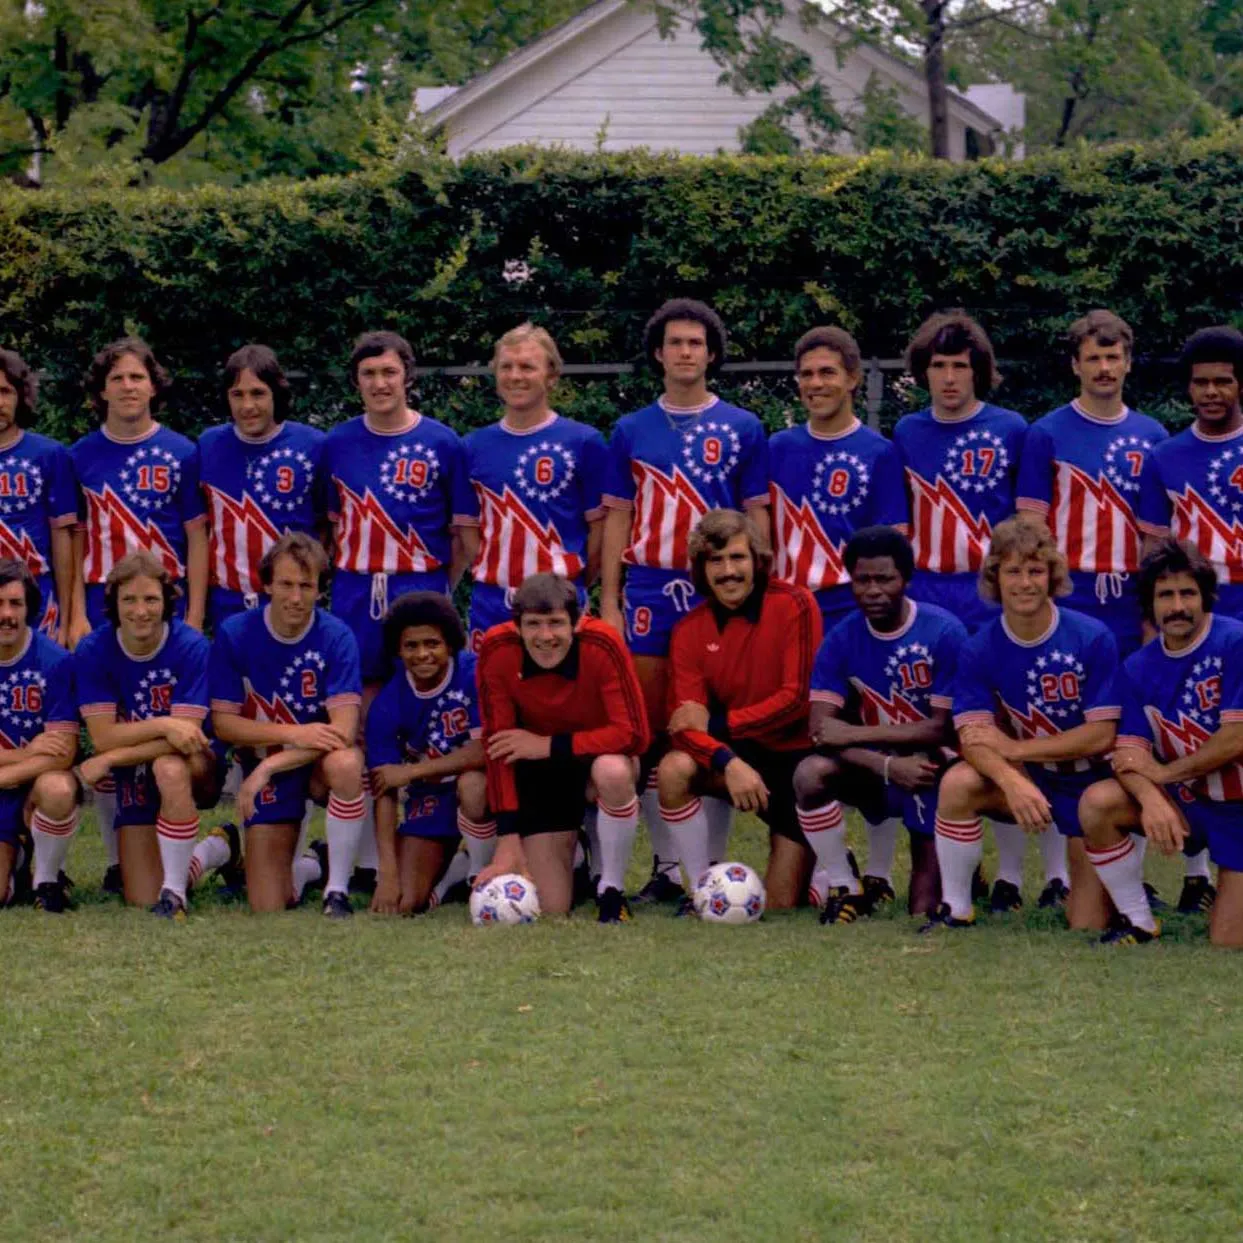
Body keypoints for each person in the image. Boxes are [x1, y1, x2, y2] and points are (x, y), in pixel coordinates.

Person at [600, 299, 770, 903]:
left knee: (702, 725)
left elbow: (756, 516)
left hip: (717, 593)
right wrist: (611, 600)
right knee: (646, 731)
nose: (685, 352)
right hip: (649, 586)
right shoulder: (630, 429)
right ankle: (668, 868)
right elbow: (619, 518)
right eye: (675, 342)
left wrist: (760, 593)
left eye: (696, 343)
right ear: (658, 353)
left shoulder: (745, 426)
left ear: (712, 353)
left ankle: (710, 861)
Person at [318, 330, 473, 888]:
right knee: (360, 719)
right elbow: (330, 529)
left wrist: (434, 589)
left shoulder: (442, 442)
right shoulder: (335, 443)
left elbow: (462, 536)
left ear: (407, 375)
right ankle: (362, 859)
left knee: (429, 716)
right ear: (356, 382)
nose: (380, 384)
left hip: (419, 586)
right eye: (368, 375)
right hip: (358, 592)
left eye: (389, 373)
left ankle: (444, 837)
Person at [924, 519, 1120, 932]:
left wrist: (1016, 752)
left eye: (1035, 570)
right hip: (1030, 777)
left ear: (1053, 575)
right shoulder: (979, 646)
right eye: (1013, 571)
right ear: (996, 578)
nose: (1025, 583)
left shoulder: (1092, 636)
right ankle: (955, 909)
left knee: (1086, 924)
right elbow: (973, 738)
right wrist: (1012, 781)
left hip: (1089, 782)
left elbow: (1102, 734)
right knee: (958, 783)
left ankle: (1113, 875)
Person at [794, 527, 966, 922]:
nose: (872, 590)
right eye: (862, 580)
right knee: (810, 774)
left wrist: (857, 734)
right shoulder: (840, 639)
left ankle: (960, 870)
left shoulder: (944, 632)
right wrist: (888, 766)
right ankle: (846, 887)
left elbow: (941, 728)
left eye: (884, 579)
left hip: (931, 772)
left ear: (906, 579)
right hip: (875, 769)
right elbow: (821, 730)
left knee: (923, 909)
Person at [1079, 539, 1243, 947]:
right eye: (1165, 595)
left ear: (1206, 598)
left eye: (1188, 593)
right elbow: (1129, 752)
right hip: (1190, 804)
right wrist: (1151, 798)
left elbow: (1235, 738)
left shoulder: (1235, 644)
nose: (1177, 606)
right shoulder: (1136, 667)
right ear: (1150, 605)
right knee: (1099, 801)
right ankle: (1139, 922)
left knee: (1227, 941)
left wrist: (1166, 774)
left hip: (1239, 807)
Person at [658, 509, 822, 911]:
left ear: (757, 561)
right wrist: (728, 761)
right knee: (674, 768)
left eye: (737, 558)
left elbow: (796, 699)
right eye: (716, 561)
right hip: (736, 755)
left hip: (793, 763)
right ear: (701, 569)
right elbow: (683, 725)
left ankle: (826, 859)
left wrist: (719, 725)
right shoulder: (688, 630)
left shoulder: (795, 604)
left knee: (783, 905)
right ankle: (701, 888)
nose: (728, 571)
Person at [475, 573, 649, 921]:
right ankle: (579, 858)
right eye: (534, 624)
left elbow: (634, 734)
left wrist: (548, 744)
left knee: (612, 771)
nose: (545, 636)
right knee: (551, 906)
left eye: (556, 623)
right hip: (542, 773)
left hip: (591, 761)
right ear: (517, 626)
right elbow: (499, 748)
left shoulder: (603, 643)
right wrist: (508, 836)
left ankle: (610, 888)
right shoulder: (497, 649)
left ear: (578, 621)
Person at [210, 533, 364, 917]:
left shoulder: (337, 636)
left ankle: (337, 889)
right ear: (266, 584)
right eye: (286, 585)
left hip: (313, 765)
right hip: (275, 767)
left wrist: (270, 764)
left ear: (320, 590)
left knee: (346, 763)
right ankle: (311, 863)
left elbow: (343, 730)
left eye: (306, 586)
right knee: (268, 904)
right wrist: (289, 735)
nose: (296, 597)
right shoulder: (235, 633)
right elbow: (224, 723)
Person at [74, 552, 232, 919]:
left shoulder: (190, 646)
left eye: (151, 599)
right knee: (139, 894)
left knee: (169, 767)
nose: (141, 611)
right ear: (113, 602)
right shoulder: (94, 650)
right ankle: (213, 850)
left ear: (167, 603)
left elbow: (187, 739)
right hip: (136, 769)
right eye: (129, 599)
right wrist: (163, 724)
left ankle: (175, 895)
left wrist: (112, 758)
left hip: (196, 767)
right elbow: (102, 737)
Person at [1016, 310, 1167, 656]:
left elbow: (1156, 537)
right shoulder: (1045, 433)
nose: (1104, 368)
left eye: (1113, 358)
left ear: (1128, 363)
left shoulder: (1153, 436)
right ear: (1075, 365)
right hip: (1069, 590)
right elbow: (1030, 527)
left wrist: (1151, 611)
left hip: (1131, 592)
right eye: (1093, 358)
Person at [457, 323, 608, 650]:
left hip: (559, 604)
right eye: (506, 366)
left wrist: (571, 584)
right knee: (490, 696)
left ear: (551, 376)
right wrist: (495, 574)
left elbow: (599, 530)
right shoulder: (472, 447)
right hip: (492, 604)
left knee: (560, 696)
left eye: (527, 366)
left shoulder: (584, 442)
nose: (515, 376)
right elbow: (469, 530)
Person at [893, 310, 1027, 632]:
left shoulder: (1011, 428)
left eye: (960, 366)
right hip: (925, 586)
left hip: (990, 588)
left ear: (976, 372)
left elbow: (1027, 520)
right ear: (924, 372)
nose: (949, 378)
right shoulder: (906, 431)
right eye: (939, 365)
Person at [769, 326, 908, 635]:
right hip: (784, 606)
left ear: (852, 379)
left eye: (827, 373)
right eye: (806, 374)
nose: (815, 383)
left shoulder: (880, 453)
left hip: (850, 609)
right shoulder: (776, 448)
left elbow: (890, 544)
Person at [69, 337, 207, 638]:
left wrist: (195, 617)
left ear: (153, 386)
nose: (128, 386)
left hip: (168, 598)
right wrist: (76, 614)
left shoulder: (183, 452)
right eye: (117, 378)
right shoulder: (79, 455)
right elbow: (76, 541)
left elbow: (197, 537)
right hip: (101, 600)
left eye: (137, 377)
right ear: (103, 390)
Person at [366, 592, 493, 915]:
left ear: (450, 643)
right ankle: (455, 869)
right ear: (398, 649)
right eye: (411, 646)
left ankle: (476, 870)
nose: (423, 654)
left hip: (479, 788)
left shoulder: (475, 674)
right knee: (406, 902)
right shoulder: (387, 703)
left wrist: (412, 772)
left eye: (432, 644)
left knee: (473, 785)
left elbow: (484, 749)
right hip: (431, 798)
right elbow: (384, 787)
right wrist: (388, 875)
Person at [197, 344, 326, 630]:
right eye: (237, 394)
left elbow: (326, 525)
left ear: (276, 393)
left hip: (293, 604)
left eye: (258, 393)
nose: (247, 406)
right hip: (227, 603)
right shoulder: (208, 445)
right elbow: (202, 527)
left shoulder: (312, 445)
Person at [1138, 326, 1243, 619]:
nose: (1211, 391)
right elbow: (1154, 548)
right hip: (1191, 602)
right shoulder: (1163, 456)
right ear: (1189, 387)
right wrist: (1150, 619)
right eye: (1201, 382)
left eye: (1223, 382)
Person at [0, 559, 79, 912]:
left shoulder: (55, 661)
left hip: (32, 785)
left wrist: (8, 773)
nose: (6, 614)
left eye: (15, 603)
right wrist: (25, 753)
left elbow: (62, 753)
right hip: (19, 769)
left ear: (29, 607)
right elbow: (42, 751)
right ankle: (15, 864)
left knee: (58, 788)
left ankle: (46, 880)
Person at [0, 349, 77, 644]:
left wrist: (67, 617)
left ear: (21, 395)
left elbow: (63, 538)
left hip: (37, 599)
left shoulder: (48, 454)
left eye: (5, 391)